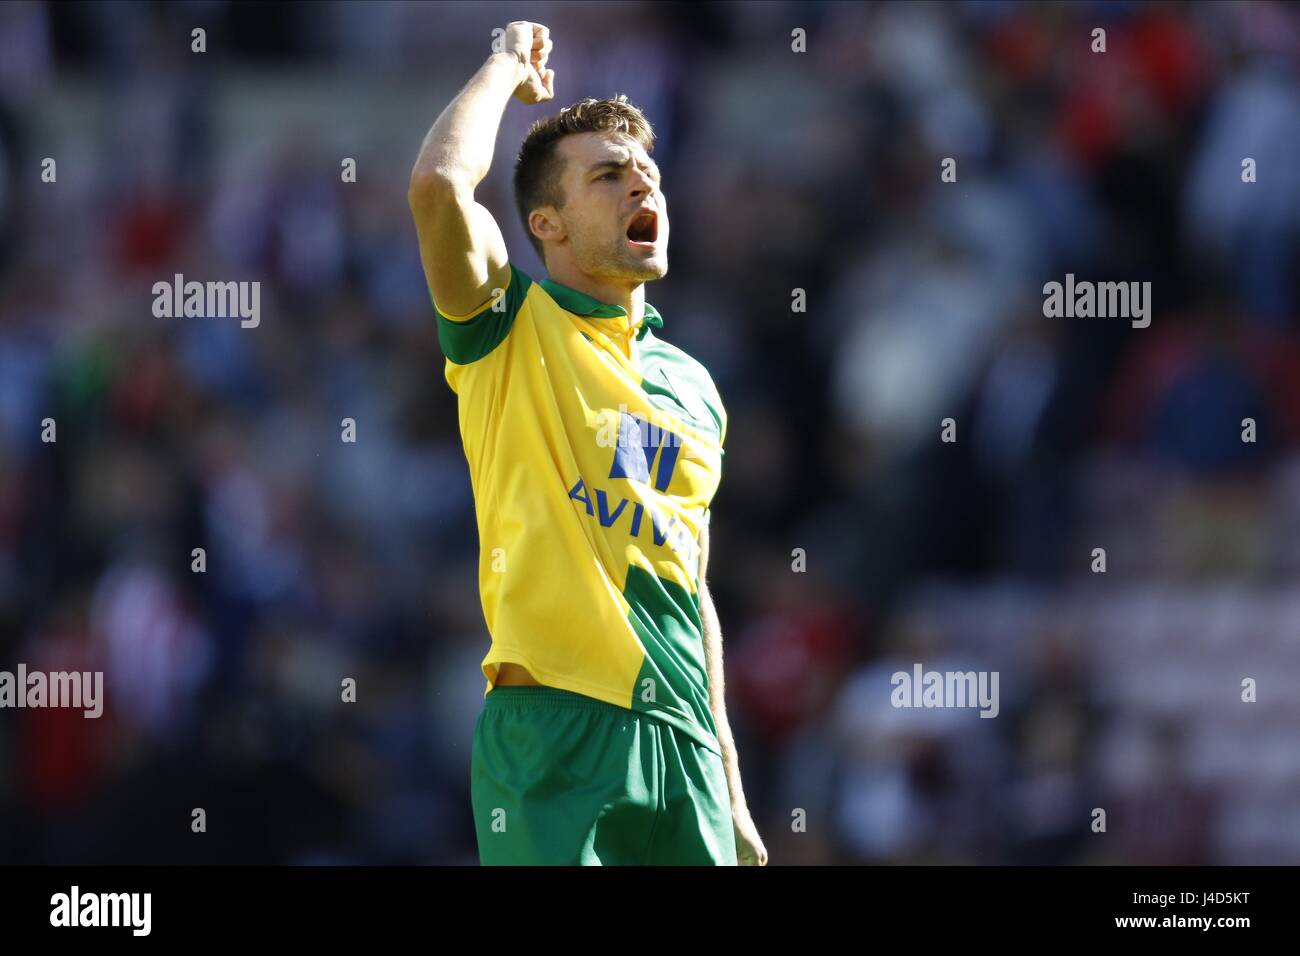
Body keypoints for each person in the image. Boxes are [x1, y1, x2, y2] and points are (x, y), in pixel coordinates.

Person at [408, 20, 766, 866]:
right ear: (549, 224)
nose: (641, 184)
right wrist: (502, 67)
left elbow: (691, 582)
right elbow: (437, 187)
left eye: (647, 173)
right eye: (608, 176)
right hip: (555, 734)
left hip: (684, 744)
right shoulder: (506, 327)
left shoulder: (693, 387)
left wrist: (730, 775)